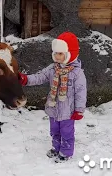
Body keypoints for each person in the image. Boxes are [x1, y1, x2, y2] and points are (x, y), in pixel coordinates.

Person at [18, 32, 87, 163]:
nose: (56, 56)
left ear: (69, 53)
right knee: (54, 130)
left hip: (68, 112)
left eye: (60, 53)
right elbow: (40, 77)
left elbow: (81, 92)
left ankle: (66, 152)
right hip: (53, 108)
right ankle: (56, 148)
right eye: (55, 53)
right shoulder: (52, 68)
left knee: (66, 132)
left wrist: (79, 109)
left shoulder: (77, 73)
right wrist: (25, 79)